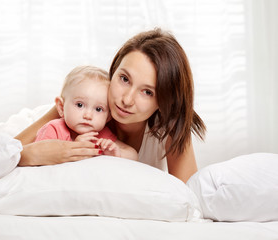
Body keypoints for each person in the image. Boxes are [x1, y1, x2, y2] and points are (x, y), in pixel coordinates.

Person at [15, 28, 206, 183]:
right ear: (113, 72)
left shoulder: (170, 128)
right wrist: (38, 154)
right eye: (124, 79)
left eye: (147, 92)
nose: (127, 99)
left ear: (164, 101)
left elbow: (189, 197)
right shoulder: (78, 106)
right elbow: (3, 155)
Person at [34, 65, 138, 160]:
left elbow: (133, 155)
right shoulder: (53, 129)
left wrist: (115, 152)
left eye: (98, 109)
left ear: (108, 117)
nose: (88, 115)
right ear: (61, 107)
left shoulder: (101, 135)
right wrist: (75, 147)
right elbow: (37, 157)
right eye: (80, 105)